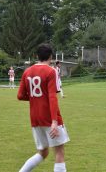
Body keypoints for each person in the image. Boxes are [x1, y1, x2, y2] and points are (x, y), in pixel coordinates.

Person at [17, 44, 69, 172]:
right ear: (51, 56)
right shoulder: (51, 71)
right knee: (59, 152)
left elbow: (20, 96)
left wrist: (36, 99)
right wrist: (54, 122)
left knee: (43, 152)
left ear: (37, 56)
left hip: (35, 117)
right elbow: (52, 97)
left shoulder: (27, 71)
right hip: (49, 117)